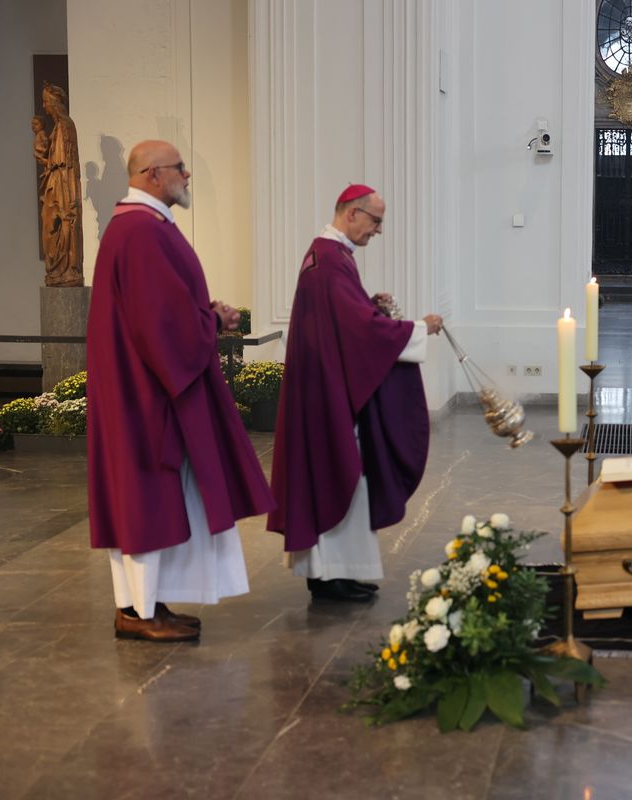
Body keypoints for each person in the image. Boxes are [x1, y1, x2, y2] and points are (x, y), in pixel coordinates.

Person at [86, 140, 274, 641]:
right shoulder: (141, 232)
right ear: (151, 174)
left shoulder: (140, 228)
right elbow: (160, 327)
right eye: (179, 168)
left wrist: (205, 314)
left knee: (146, 501)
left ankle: (143, 606)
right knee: (147, 501)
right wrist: (209, 321)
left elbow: (161, 310)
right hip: (147, 397)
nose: (187, 175)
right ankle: (139, 613)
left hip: (142, 389)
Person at [268, 185, 443, 602]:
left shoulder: (331, 255)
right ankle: (330, 577)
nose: (379, 231)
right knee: (338, 474)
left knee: (334, 475)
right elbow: (356, 332)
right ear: (351, 213)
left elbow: (344, 320)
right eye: (376, 221)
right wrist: (416, 328)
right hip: (327, 396)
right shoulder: (329, 260)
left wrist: (370, 306)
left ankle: (333, 573)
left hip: (323, 388)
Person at [31, 82, 84, 287]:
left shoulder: (64, 126)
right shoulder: (58, 128)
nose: (44, 107)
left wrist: (65, 197)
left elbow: (66, 167)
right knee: (48, 224)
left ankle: (67, 268)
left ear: (53, 103)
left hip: (61, 184)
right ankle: (57, 269)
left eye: (45, 102)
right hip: (55, 181)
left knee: (60, 222)